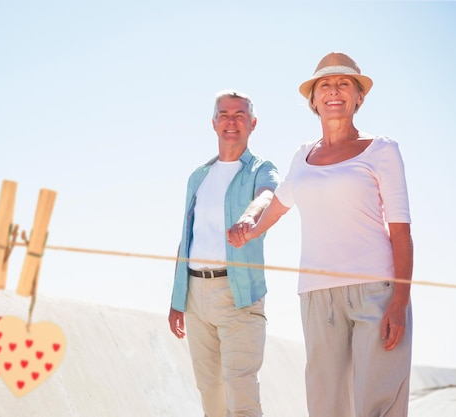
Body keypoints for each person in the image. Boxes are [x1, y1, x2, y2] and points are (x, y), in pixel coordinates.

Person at [228, 52, 413, 417]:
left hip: (375, 292)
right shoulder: (302, 157)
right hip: (316, 294)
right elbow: (278, 206)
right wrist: (250, 230)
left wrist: (399, 302)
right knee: (325, 404)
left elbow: (402, 232)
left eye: (345, 84)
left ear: (359, 96)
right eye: (325, 85)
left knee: (376, 402)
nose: (334, 91)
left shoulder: (382, 151)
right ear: (313, 100)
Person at [168, 89, 280, 417]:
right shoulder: (199, 177)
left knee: (241, 394)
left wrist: (249, 216)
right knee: (211, 396)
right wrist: (177, 300)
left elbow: (268, 196)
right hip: (195, 296)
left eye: (240, 115)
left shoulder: (261, 168)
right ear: (214, 123)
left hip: (238, 295)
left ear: (253, 123)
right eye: (225, 115)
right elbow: (188, 237)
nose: (232, 122)